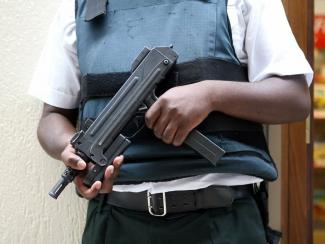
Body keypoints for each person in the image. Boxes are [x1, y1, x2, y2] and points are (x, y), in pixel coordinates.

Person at [29, 0, 313, 243]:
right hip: (115, 222)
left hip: (224, 221)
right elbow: (52, 117)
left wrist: (211, 95)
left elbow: (294, 98)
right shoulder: (79, 7)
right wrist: (70, 151)